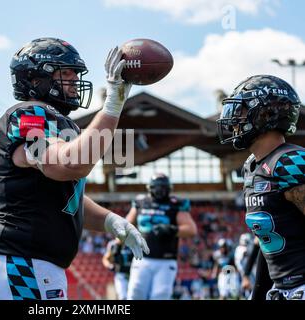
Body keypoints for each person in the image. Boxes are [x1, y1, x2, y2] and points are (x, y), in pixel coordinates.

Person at [0, 37, 149, 300]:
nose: (75, 80)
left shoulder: (59, 122)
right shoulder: (28, 114)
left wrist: (111, 221)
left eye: (75, 73)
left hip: (32, 264)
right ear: (34, 80)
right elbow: (68, 165)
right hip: (20, 263)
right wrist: (112, 105)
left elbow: (67, 197)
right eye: (65, 72)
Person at [217, 74, 305, 300]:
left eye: (243, 110)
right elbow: (267, 243)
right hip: (281, 290)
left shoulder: (289, 162)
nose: (234, 119)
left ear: (267, 114)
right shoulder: (251, 167)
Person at [126, 174, 197, 300]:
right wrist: (116, 244)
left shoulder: (175, 204)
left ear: (169, 188)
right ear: (150, 188)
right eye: (156, 187)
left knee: (160, 295)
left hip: (165, 259)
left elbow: (191, 229)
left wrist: (171, 229)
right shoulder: (141, 203)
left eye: (162, 187)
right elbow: (125, 226)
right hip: (141, 258)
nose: (159, 191)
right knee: (135, 293)